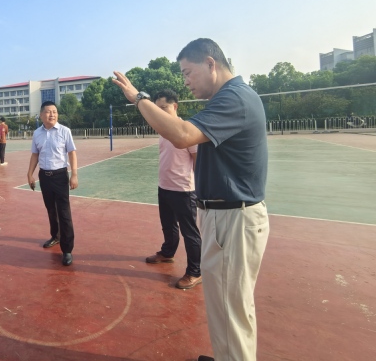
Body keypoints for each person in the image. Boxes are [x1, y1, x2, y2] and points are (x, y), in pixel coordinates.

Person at [113, 38, 269, 361]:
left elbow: (182, 134)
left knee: (231, 310)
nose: (185, 81)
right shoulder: (227, 98)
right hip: (224, 216)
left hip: (232, 219)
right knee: (226, 306)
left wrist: (139, 98)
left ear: (210, 64)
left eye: (187, 72)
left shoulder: (235, 98)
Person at [146, 89, 202, 290]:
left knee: (190, 232)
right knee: (168, 225)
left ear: (175, 106)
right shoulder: (163, 130)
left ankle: (195, 271)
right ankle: (167, 253)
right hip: (164, 186)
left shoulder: (186, 130)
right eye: (157, 109)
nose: (160, 113)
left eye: (164, 108)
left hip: (184, 190)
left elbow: (197, 161)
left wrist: (199, 189)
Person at [27, 101, 78, 266]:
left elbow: (72, 153)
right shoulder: (37, 133)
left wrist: (74, 175)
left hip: (60, 176)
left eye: (55, 112)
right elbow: (35, 155)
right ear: (41, 115)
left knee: (64, 213)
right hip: (44, 177)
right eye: (48, 112)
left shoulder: (65, 131)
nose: (52, 115)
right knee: (51, 210)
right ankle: (55, 236)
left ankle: (67, 250)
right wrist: (29, 174)